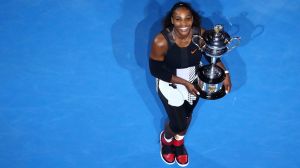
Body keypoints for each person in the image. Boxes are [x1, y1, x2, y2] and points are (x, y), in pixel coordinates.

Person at [149, 2, 232, 167]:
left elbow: (211, 56)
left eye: (187, 18)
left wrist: (225, 74)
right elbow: (156, 70)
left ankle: (178, 142)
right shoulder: (161, 40)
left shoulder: (200, 35)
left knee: (186, 115)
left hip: (195, 78)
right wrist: (184, 83)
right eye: (178, 19)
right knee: (179, 124)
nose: (183, 23)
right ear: (172, 20)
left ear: (192, 19)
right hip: (169, 81)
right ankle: (166, 139)